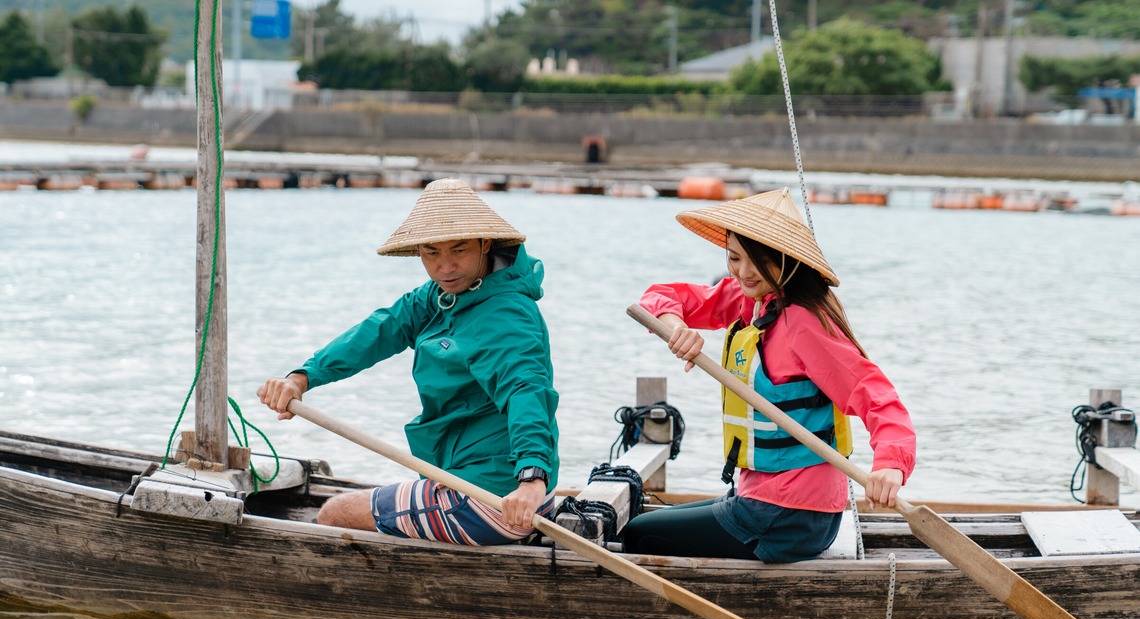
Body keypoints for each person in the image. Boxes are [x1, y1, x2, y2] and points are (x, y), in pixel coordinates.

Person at [258, 178, 559, 544]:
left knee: (334, 513)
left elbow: (526, 389)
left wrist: (531, 478)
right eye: (431, 253)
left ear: (484, 244)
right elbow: (381, 329)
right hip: (469, 480)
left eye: (459, 250)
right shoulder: (441, 296)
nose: (445, 267)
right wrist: (302, 378)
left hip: (497, 499)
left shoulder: (505, 314)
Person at [623, 187, 916, 563]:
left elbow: (874, 393)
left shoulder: (803, 323)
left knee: (638, 534)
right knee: (643, 523)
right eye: (734, 258)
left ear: (786, 261)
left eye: (759, 262)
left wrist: (890, 464)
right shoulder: (752, 299)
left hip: (791, 516)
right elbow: (659, 297)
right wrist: (677, 327)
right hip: (764, 501)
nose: (744, 273)